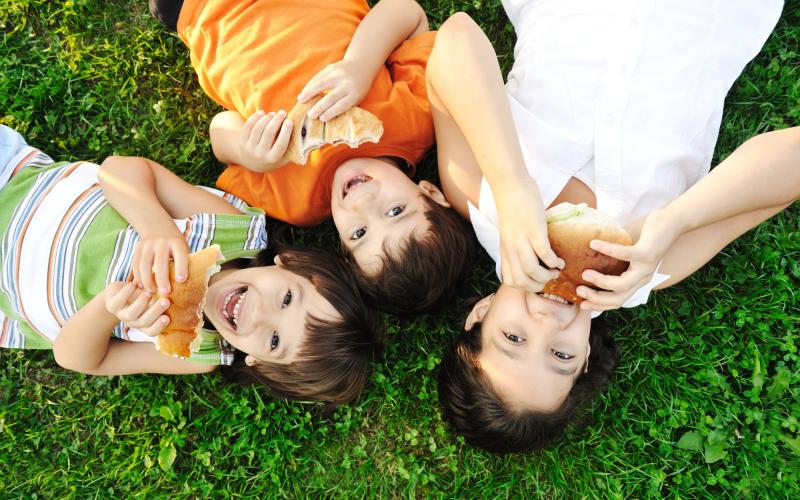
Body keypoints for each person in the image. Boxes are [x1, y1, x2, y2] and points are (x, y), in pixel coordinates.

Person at [424, 1, 794, 452]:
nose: (546, 323)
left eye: (513, 337)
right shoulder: (650, 267)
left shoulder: (477, 198)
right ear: (583, 361)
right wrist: (673, 220)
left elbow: (456, 38)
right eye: (560, 356)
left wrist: (510, 183)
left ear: (480, 315)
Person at [0, 125, 381, 405]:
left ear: (258, 363)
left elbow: (77, 358)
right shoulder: (231, 230)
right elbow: (118, 169)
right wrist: (155, 227)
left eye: (275, 341)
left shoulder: (195, 354)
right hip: (14, 184)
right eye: (285, 299)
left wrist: (106, 309)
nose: (261, 313)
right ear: (288, 264)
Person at [148, 0, 476, 315]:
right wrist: (359, 65)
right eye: (395, 210)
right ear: (430, 192)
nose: (363, 204)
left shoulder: (297, 204)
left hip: (205, 14)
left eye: (359, 234)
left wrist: (249, 154)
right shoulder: (414, 122)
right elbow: (407, 12)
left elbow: (219, 130)